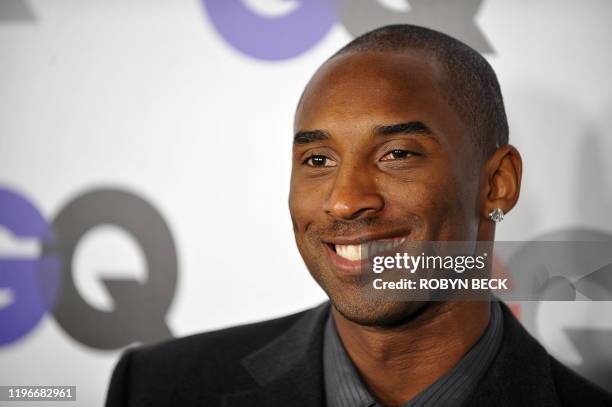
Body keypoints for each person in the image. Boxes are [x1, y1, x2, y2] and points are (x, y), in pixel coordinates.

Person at [105, 25, 612, 407]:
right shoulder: (157, 388)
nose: (345, 201)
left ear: (497, 183)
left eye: (397, 153)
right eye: (318, 160)